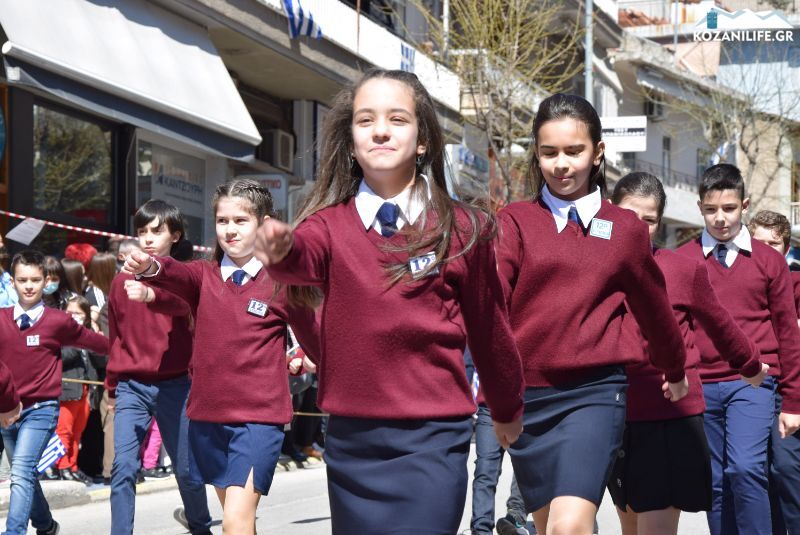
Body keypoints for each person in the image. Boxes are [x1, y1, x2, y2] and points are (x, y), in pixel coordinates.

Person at [253, 68, 524, 534]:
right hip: (352, 442)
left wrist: (506, 407)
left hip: (434, 439)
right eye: (366, 120)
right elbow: (302, 258)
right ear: (350, 141)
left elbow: (489, 328)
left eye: (397, 119)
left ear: (423, 141)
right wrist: (282, 250)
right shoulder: (326, 225)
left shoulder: (464, 228)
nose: (380, 130)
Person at [494, 93, 688, 535]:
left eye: (574, 151)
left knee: (569, 527)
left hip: (595, 395)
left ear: (597, 152)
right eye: (549, 152)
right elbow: (491, 310)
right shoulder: (514, 221)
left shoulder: (626, 229)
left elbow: (655, 310)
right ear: (536, 153)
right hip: (528, 401)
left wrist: (674, 368)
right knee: (548, 527)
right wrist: (496, 390)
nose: (561, 164)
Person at [125, 178, 320, 535]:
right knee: (238, 523)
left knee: (234, 523)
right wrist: (149, 266)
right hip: (206, 418)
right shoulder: (202, 275)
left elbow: (315, 337)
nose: (230, 230)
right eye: (222, 220)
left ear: (263, 224)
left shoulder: (282, 282)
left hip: (258, 420)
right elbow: (173, 273)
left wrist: (315, 359)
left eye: (240, 221)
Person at [608, 172, 768, 535]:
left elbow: (720, 324)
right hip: (612, 415)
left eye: (649, 220)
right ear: (610, 212)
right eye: (629, 216)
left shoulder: (682, 268)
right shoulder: (594, 270)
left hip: (671, 414)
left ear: (660, 222)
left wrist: (750, 364)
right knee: (629, 524)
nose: (638, 228)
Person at [676, 164, 800, 535]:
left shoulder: (769, 260)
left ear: (744, 205)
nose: (720, 218)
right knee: (716, 481)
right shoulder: (683, 259)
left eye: (729, 208)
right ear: (700, 207)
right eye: (711, 209)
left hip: (754, 383)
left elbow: (787, 332)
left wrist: (793, 401)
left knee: (745, 469)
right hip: (703, 386)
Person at [107, 199, 211, 535]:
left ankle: (200, 525)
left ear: (175, 235)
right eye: (142, 231)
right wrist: (111, 388)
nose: (148, 238)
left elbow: (182, 307)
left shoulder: (186, 276)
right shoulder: (119, 282)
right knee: (123, 466)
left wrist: (152, 296)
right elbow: (115, 337)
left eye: (157, 230)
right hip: (131, 385)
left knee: (186, 468)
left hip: (177, 385)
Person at [0, 250, 108, 535]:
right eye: (22, 280)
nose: (29, 286)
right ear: (12, 282)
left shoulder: (58, 320)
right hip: (6, 412)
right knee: (25, 476)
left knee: (21, 473)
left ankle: (13, 532)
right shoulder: (0, 319)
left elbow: (92, 341)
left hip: (42, 410)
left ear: (46, 280)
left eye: (35, 280)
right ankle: (46, 526)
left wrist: (127, 347)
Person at [748, 209, 800, 534]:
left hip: (788, 391)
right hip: (750, 388)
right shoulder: (740, 283)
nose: (766, 251)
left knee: (785, 468)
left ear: (787, 248)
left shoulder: (796, 284)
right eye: (759, 243)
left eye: (774, 244)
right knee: (757, 472)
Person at [54, 294, 104, 484]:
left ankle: (73, 465)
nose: (73, 316)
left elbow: (101, 361)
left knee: (77, 432)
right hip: (67, 388)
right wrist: (75, 341)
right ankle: (62, 466)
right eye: (70, 312)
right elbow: (60, 357)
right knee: (64, 430)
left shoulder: (86, 333)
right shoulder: (59, 333)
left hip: (85, 389)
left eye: (78, 313)